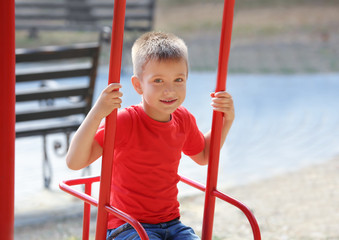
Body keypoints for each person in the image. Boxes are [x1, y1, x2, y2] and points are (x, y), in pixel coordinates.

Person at [66, 31, 235, 240]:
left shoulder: (183, 119)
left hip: (172, 225)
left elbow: (203, 155)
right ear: (138, 85)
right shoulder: (125, 121)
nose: (169, 90)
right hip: (128, 226)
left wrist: (226, 121)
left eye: (178, 79)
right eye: (158, 81)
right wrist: (98, 112)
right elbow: (74, 161)